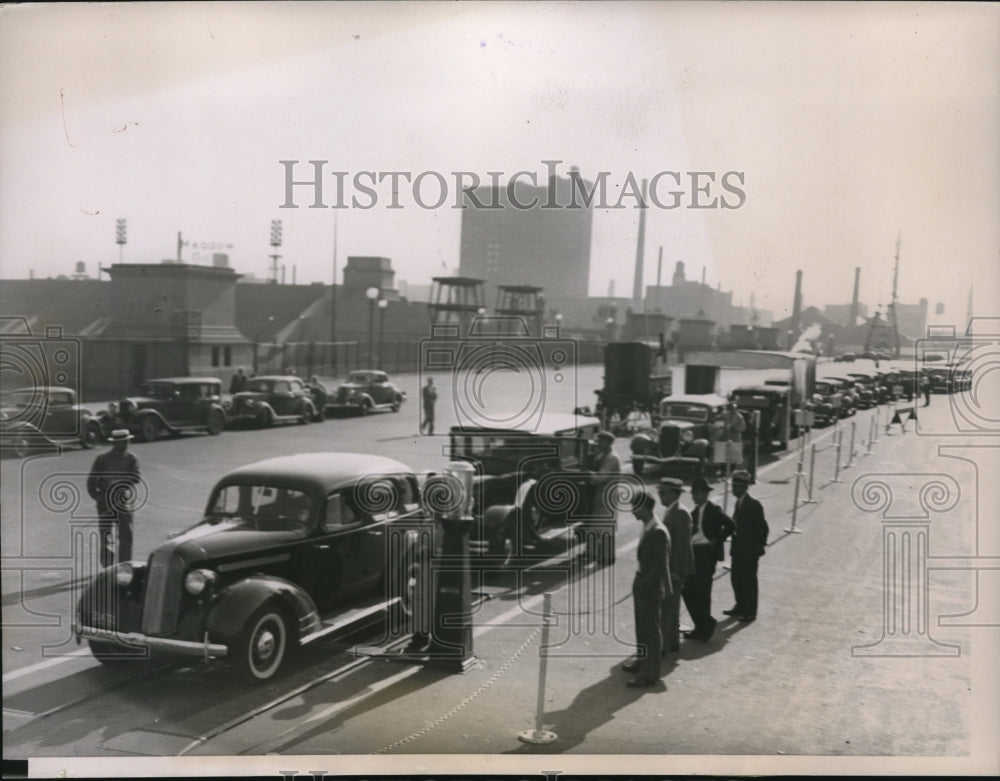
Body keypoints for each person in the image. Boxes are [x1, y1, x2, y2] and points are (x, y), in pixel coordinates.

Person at [621, 492, 670, 687]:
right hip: (643, 582)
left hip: (649, 587)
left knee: (650, 630)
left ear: (644, 508)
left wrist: (643, 584)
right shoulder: (648, 527)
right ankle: (642, 662)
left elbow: (659, 567)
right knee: (642, 628)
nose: (633, 512)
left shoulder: (658, 531)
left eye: (635, 507)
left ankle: (650, 674)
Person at [682, 476, 735, 641]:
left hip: (706, 555)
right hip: (694, 553)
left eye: (697, 493)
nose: (694, 497)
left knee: (703, 592)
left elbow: (732, 525)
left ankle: (703, 627)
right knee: (688, 590)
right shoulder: (693, 513)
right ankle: (703, 623)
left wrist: (717, 539)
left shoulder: (714, 510)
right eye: (693, 494)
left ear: (705, 494)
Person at [86, 429, 141, 567]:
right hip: (105, 500)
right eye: (122, 442)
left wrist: (119, 482)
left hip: (122, 500)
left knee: (126, 534)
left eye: (127, 441)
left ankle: (124, 566)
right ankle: (108, 567)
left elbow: (136, 476)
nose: (126, 444)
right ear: (115, 443)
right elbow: (91, 480)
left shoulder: (131, 458)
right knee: (106, 534)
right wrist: (97, 497)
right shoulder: (102, 458)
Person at [724, 470, 769, 623]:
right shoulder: (739, 503)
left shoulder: (754, 505)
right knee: (736, 579)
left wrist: (759, 548)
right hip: (737, 550)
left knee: (749, 581)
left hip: (749, 552)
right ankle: (740, 605)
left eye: (736, 486)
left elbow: (763, 528)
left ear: (744, 488)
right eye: (733, 485)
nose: (733, 489)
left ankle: (750, 611)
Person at [657, 477, 693, 653]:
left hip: (674, 570)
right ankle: (671, 642)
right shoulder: (672, 511)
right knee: (671, 606)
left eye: (663, 492)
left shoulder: (680, 513)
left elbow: (682, 545)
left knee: (668, 608)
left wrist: (675, 571)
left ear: (673, 494)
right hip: (672, 568)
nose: (660, 496)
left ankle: (663, 646)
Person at [586, 430, 622, 564]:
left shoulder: (611, 458)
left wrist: (587, 474)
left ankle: (606, 557)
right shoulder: (606, 455)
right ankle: (595, 554)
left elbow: (600, 478)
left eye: (601, 441)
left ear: (607, 442)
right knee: (598, 528)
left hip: (606, 498)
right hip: (603, 497)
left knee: (605, 529)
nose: (598, 443)